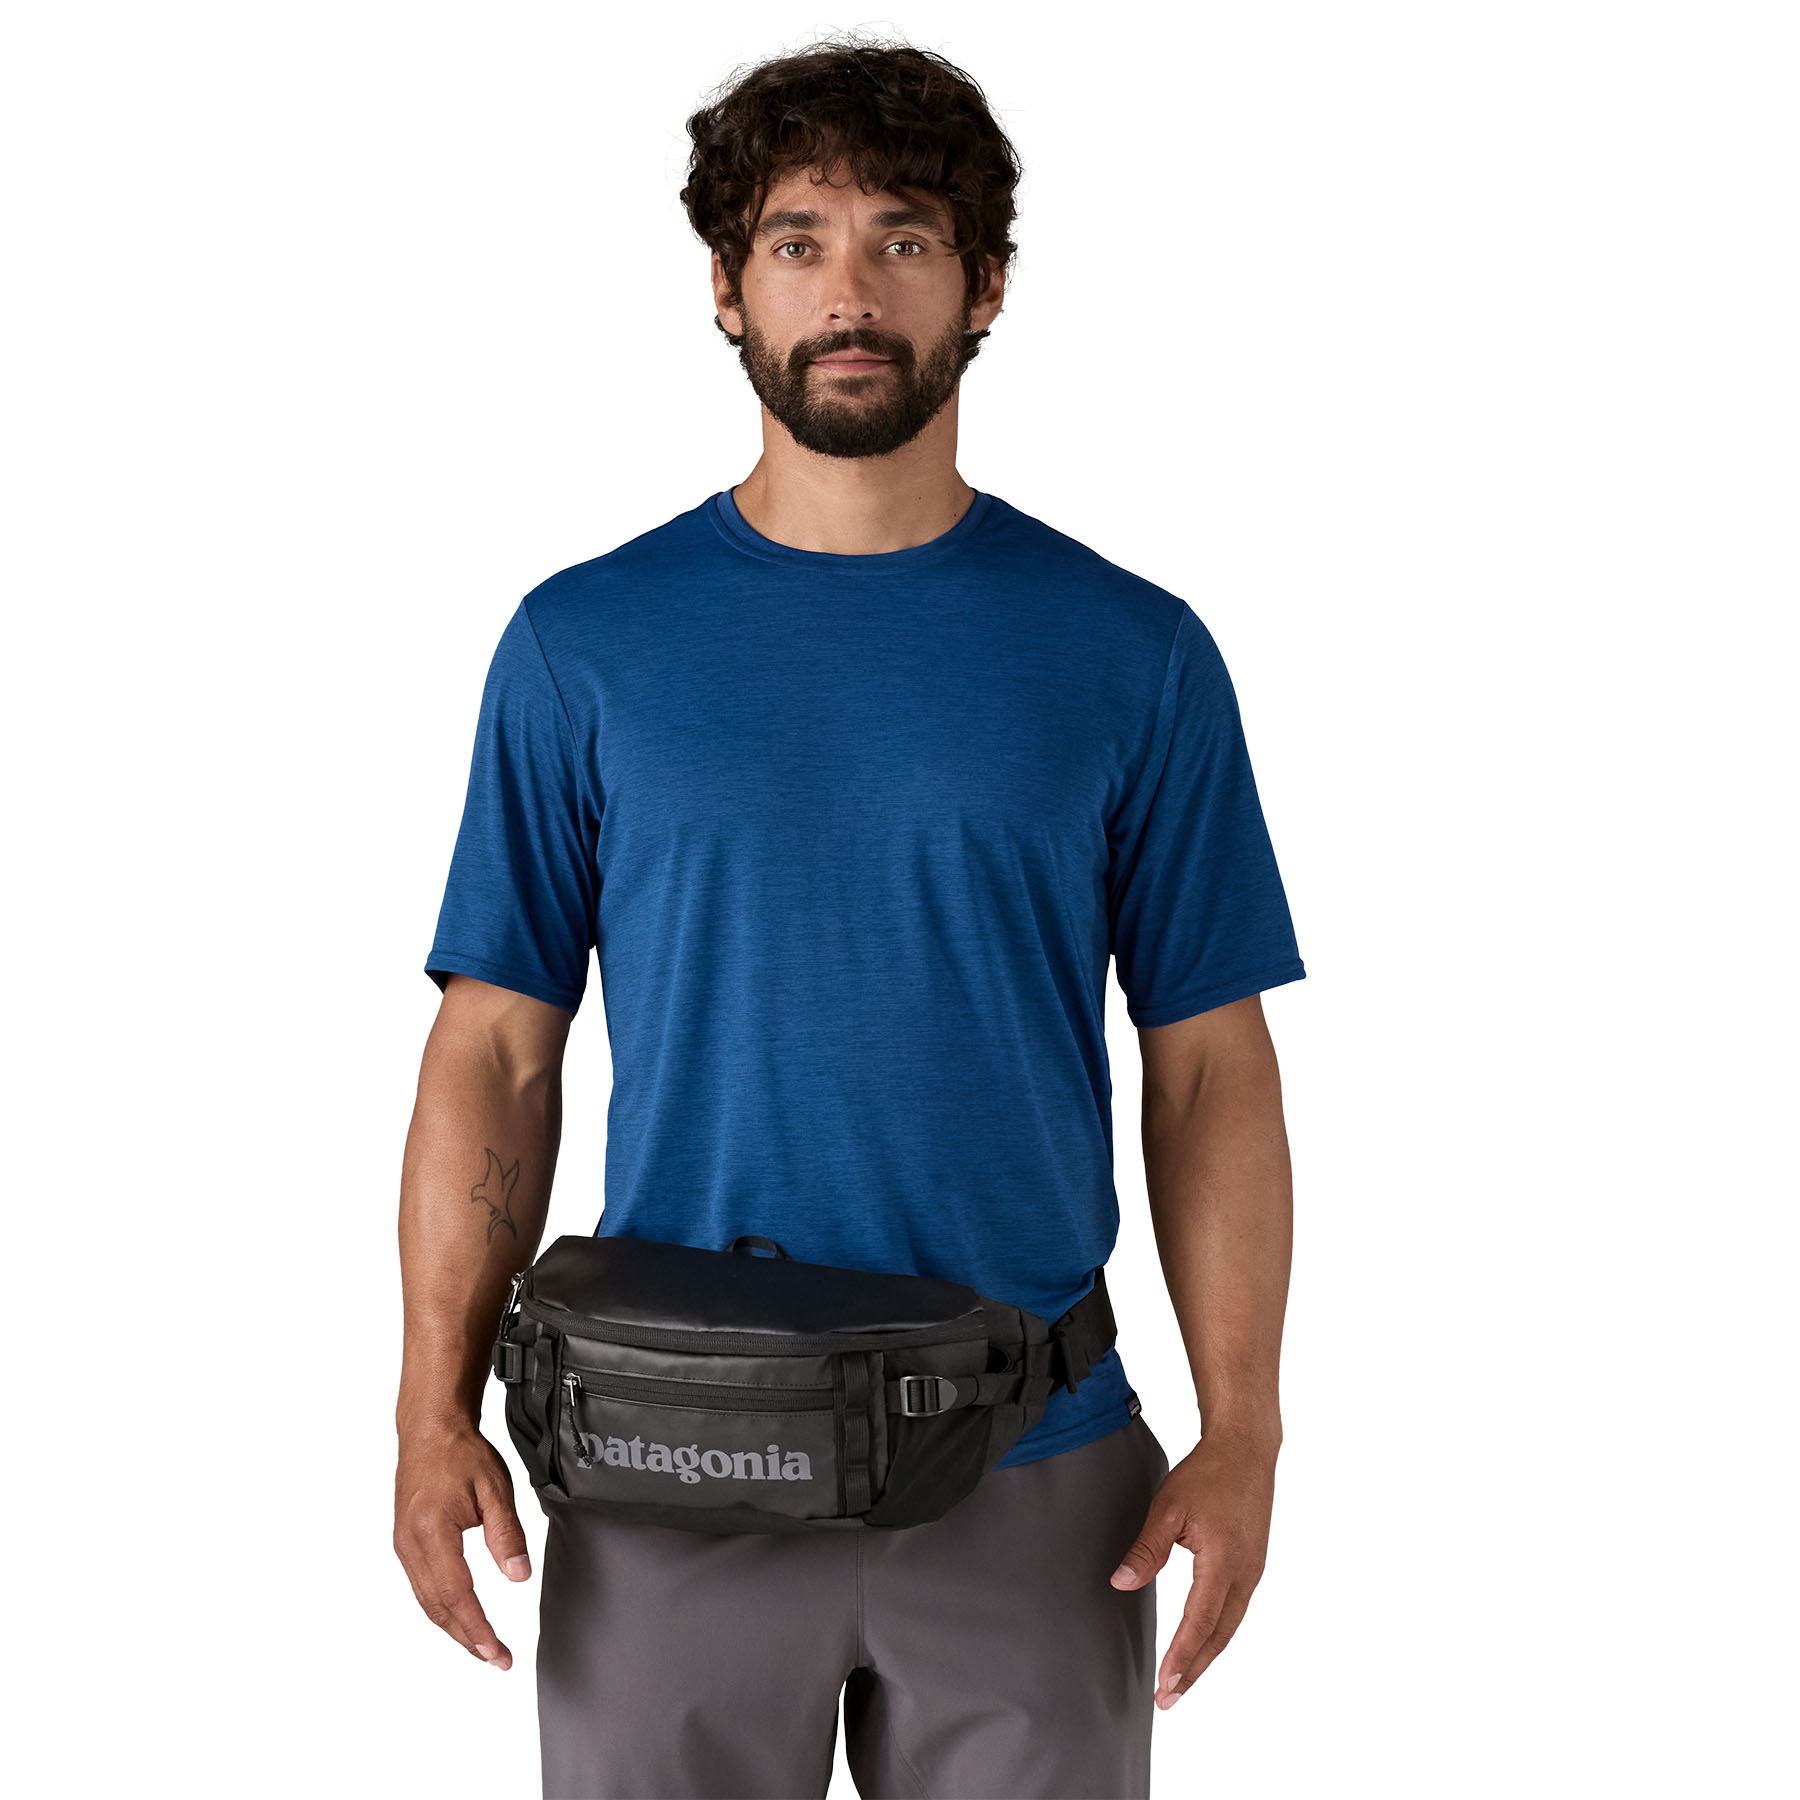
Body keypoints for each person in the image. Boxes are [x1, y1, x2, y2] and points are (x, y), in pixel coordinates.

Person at [393, 35, 1306, 1800]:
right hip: (671, 1473)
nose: (851, 292)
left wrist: (1247, 1427)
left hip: (1036, 1473)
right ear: (725, 289)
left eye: (905, 238)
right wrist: (428, 1409)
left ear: (985, 285)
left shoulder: (1133, 654)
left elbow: (1210, 1064)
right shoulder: (584, 647)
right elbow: (493, 1047)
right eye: (798, 241)